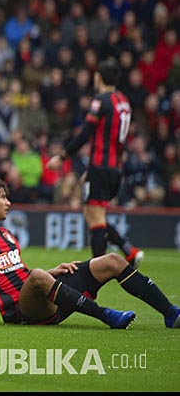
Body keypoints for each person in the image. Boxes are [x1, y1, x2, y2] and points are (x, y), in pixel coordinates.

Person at [0, 175, 180, 329]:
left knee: (113, 261)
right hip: (22, 311)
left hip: (44, 294)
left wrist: (54, 272)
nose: (8, 202)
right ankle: (107, 316)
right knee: (39, 276)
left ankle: (170, 314)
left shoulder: (5, 234)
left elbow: (20, 274)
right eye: (3, 197)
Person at [46, 58, 144, 268]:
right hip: (114, 168)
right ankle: (128, 250)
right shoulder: (123, 101)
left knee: (95, 218)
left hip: (100, 166)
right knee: (92, 215)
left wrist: (62, 156)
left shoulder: (102, 100)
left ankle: (97, 272)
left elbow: (86, 133)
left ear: (98, 77)